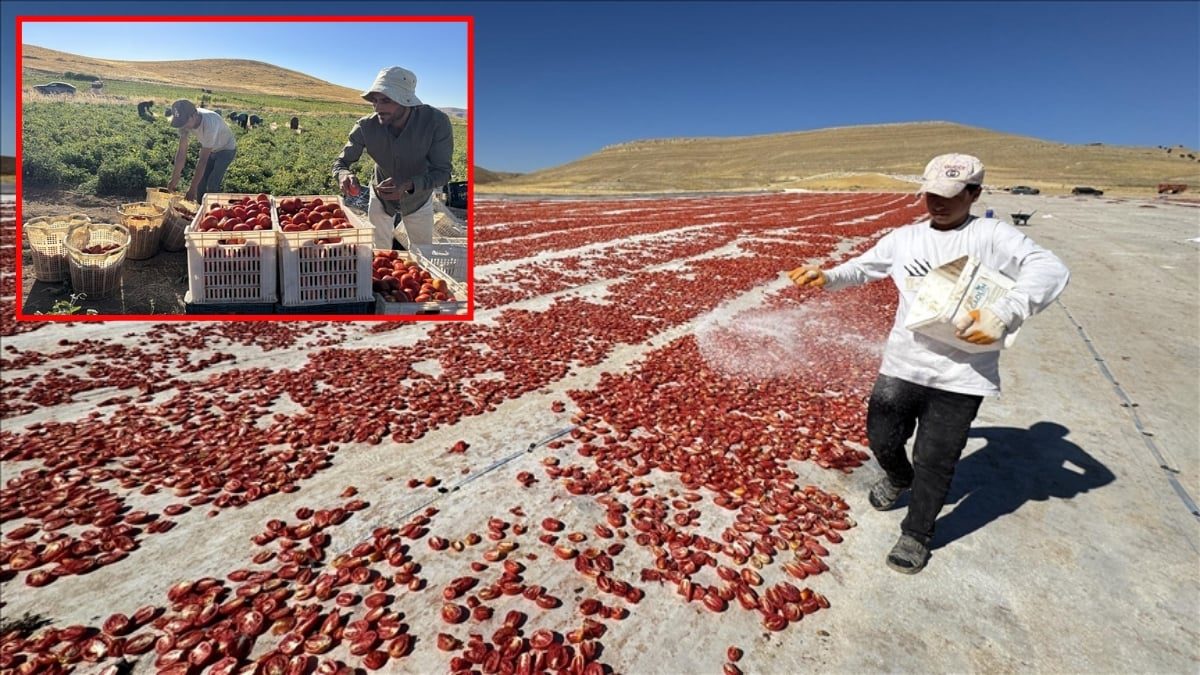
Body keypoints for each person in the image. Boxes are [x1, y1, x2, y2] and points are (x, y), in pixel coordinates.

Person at [787, 153, 1070, 574]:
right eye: (931, 194)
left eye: (950, 195)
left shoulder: (991, 235)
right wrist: (827, 276)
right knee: (882, 438)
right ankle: (898, 477)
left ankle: (917, 532)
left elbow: (1049, 267)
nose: (937, 203)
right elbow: (864, 268)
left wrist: (1007, 310)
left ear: (974, 193)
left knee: (935, 458)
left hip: (962, 373)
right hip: (904, 361)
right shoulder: (905, 239)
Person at [332, 66, 453, 251]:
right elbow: (341, 162)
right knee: (380, 252)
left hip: (418, 198)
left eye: (386, 100)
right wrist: (343, 175)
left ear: (405, 101)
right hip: (380, 196)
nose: (378, 107)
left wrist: (409, 184)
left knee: (423, 252)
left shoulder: (435, 123)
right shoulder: (366, 126)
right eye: (375, 100)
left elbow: (443, 173)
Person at [166, 99, 237, 202]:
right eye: (180, 122)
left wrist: (192, 189)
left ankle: (213, 211)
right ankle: (200, 210)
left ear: (193, 116)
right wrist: (174, 178)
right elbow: (182, 152)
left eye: (185, 122)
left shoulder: (209, 125)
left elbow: (203, 160)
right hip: (212, 148)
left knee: (212, 184)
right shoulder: (185, 121)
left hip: (226, 150)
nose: (183, 126)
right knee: (201, 185)